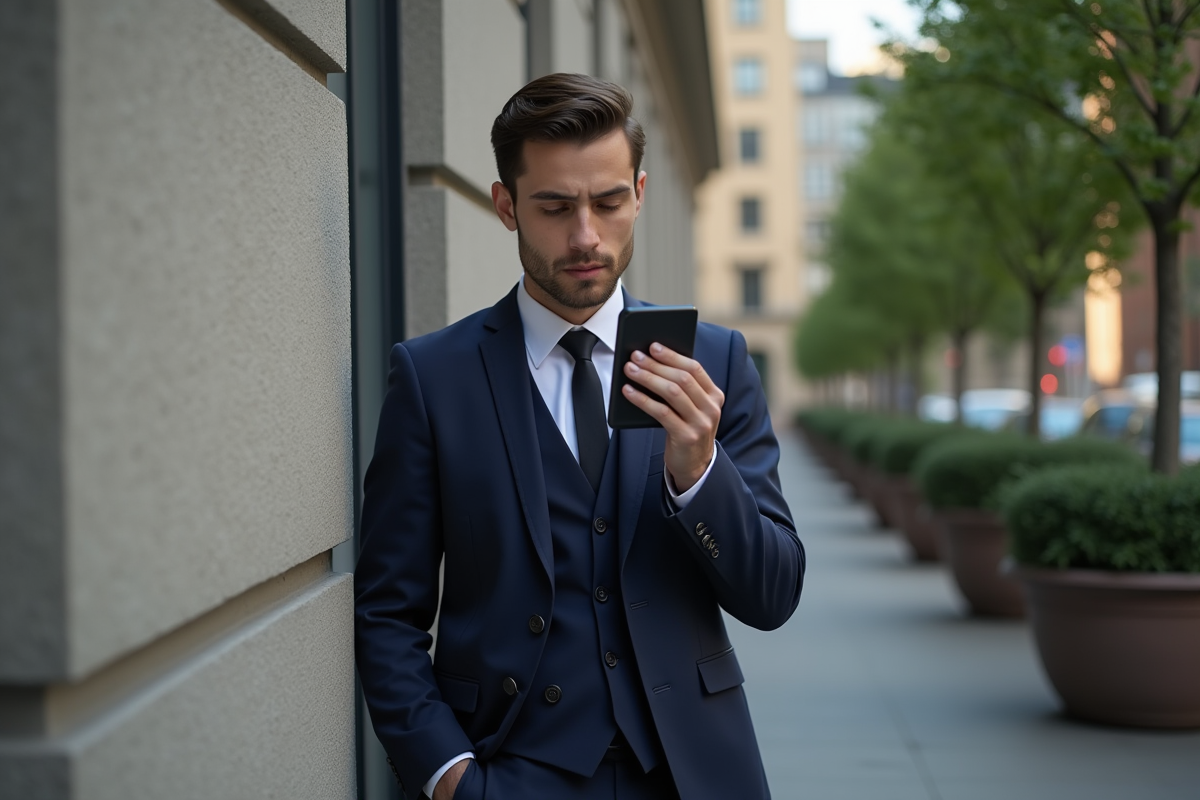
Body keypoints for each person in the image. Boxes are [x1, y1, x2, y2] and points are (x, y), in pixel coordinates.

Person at [355, 72, 805, 800]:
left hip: (693, 774)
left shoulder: (712, 361)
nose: (586, 236)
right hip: (510, 771)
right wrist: (447, 775)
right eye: (556, 207)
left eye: (609, 202)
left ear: (641, 193)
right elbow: (387, 610)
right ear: (507, 207)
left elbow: (774, 594)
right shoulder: (433, 379)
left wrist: (698, 475)